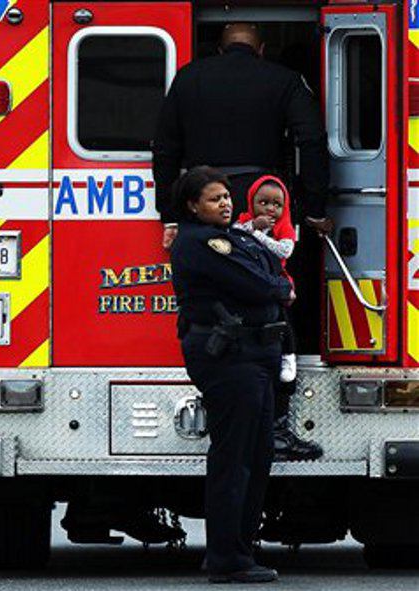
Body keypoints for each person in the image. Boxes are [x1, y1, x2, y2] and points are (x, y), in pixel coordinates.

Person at [171, 166, 294, 583]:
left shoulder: (236, 235)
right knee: (235, 458)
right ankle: (227, 559)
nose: (224, 203)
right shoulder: (200, 243)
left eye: (226, 197)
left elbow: (268, 268)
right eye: (213, 199)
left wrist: (274, 284)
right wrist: (278, 290)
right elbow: (260, 284)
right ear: (193, 206)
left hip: (256, 353)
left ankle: (240, 551)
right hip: (230, 357)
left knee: (256, 456)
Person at [152, 23, 333, 252]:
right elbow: (311, 140)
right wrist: (315, 209)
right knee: (261, 271)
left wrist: (170, 215)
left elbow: (165, 148)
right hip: (260, 194)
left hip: (202, 192)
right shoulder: (286, 79)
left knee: (207, 269)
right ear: (262, 50)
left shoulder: (187, 77)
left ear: (220, 50)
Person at [233, 176, 324, 462]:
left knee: (283, 338)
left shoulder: (283, 226)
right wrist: (253, 228)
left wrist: (258, 235)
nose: (269, 209)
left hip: (276, 293)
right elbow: (233, 236)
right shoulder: (242, 221)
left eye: (276, 204)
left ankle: (278, 424)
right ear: (251, 203)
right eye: (263, 203)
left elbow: (285, 250)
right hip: (248, 298)